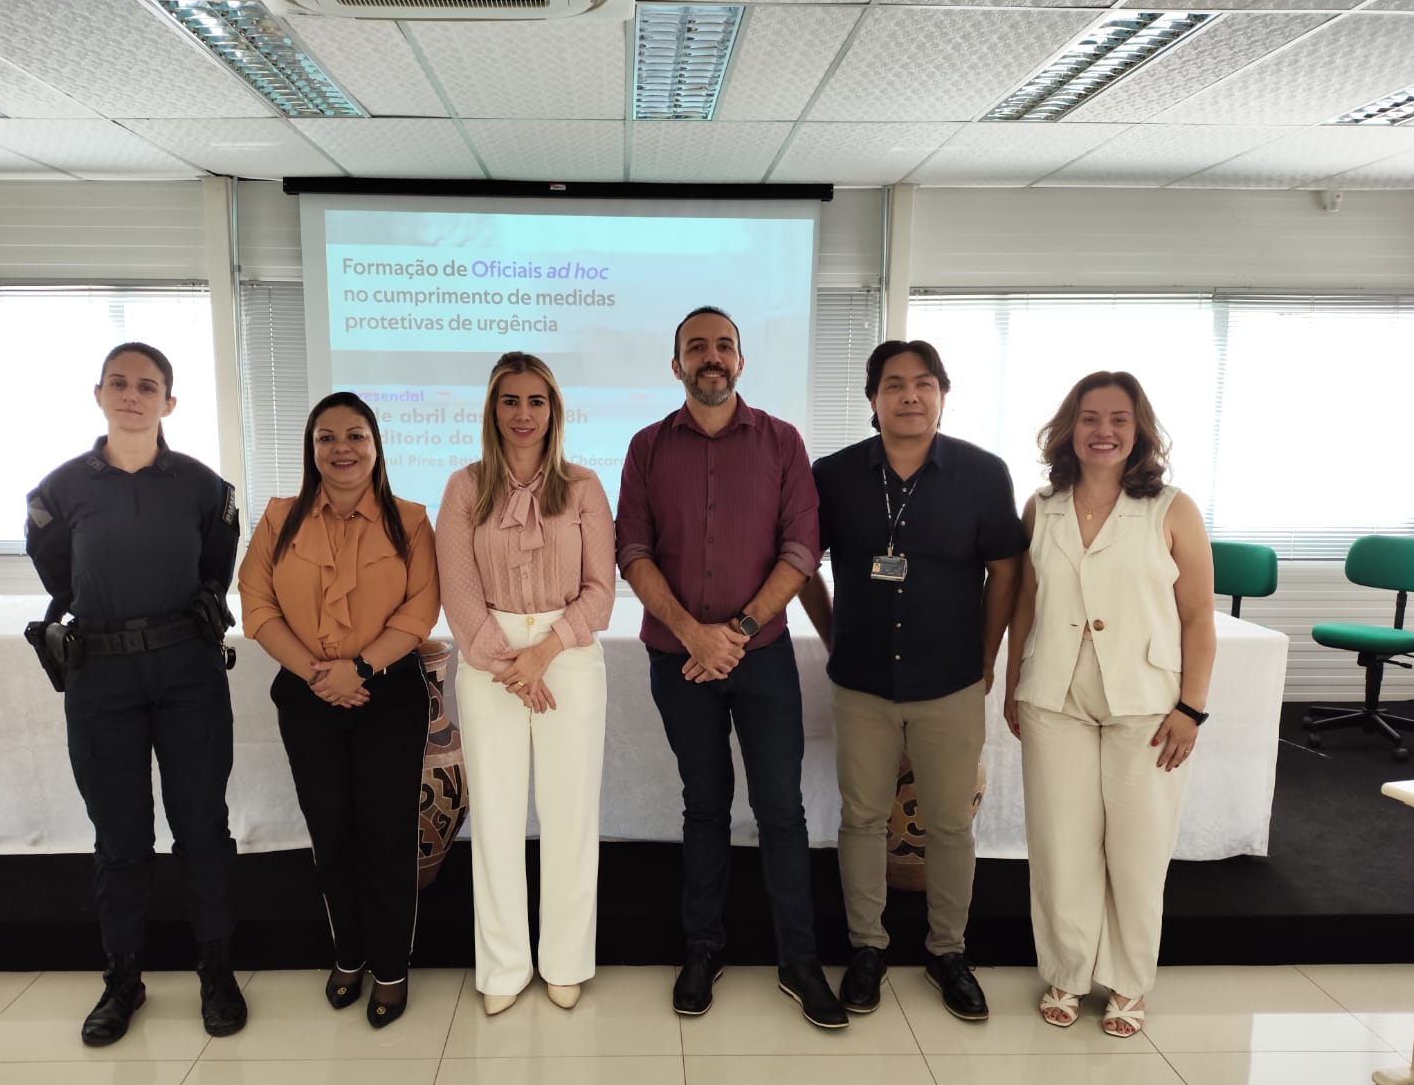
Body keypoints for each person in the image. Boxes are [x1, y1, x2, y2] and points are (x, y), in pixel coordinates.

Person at [615, 305, 846, 1030]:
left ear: (741, 361)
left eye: (723, 346)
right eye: (696, 347)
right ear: (676, 363)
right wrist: (693, 634)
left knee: (782, 809)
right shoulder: (647, 447)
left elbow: (801, 550)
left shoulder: (782, 442)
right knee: (704, 804)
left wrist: (737, 632)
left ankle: (800, 961)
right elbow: (633, 551)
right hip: (676, 659)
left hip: (765, 657)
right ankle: (703, 949)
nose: (710, 357)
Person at [25, 341, 246, 1047]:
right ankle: (123, 977)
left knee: (202, 827)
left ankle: (216, 967)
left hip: (188, 669)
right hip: (101, 677)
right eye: (119, 383)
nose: (132, 394)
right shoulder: (59, 492)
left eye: (147, 385)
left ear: (169, 403)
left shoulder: (204, 488)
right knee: (120, 838)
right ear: (98, 394)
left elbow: (215, 569)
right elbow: (59, 577)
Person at [800, 339, 1025, 1021]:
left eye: (924, 384)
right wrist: (835, 634)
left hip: (951, 679)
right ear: (872, 399)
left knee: (951, 824)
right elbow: (801, 562)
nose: (909, 396)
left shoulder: (983, 474)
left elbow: (1006, 571)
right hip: (863, 679)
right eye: (894, 384)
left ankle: (947, 951)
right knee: (863, 817)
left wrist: (986, 660)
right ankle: (867, 947)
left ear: (943, 394)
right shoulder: (833, 474)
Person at [1004, 370, 1215, 1038]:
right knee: (1061, 845)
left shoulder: (1171, 509)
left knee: (1136, 849)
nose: (1103, 431)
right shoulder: (1043, 505)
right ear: (1069, 428)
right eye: (1090, 417)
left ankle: (1127, 983)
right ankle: (1067, 971)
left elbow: (1199, 617)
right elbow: (1025, 604)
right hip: (1054, 695)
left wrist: (1193, 708)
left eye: (1118, 419)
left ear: (1139, 430)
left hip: (1148, 704)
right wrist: (1015, 682)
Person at [238, 390, 439, 1028]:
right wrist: (317, 674)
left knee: (386, 836)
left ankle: (391, 966)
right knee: (332, 833)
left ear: (377, 448)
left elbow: (420, 610)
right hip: (307, 697)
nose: (341, 449)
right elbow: (257, 603)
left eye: (355, 436)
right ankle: (348, 954)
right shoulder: (278, 518)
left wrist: (358, 667)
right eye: (327, 437)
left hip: (388, 696)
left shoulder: (410, 520)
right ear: (311, 448)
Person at [436, 353, 615, 1016]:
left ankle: (566, 960)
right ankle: (504, 964)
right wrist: (507, 661)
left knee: (571, 816)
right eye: (509, 400)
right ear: (492, 409)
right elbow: (458, 592)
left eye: (535, 400)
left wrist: (543, 655)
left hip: (566, 657)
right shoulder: (463, 488)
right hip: (489, 663)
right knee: (499, 817)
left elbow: (600, 594)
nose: (522, 413)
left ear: (553, 409)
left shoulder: (586, 486)